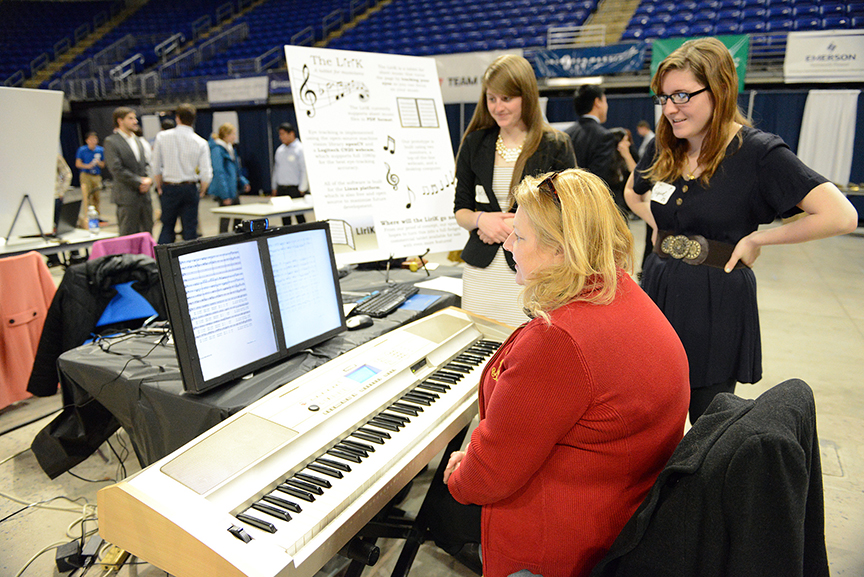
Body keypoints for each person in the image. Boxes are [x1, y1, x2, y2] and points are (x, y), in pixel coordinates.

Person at [443, 169, 691, 577]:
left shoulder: (559, 341)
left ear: (562, 250)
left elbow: (487, 477)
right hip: (622, 517)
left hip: (558, 550)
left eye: (520, 237)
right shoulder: (623, 291)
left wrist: (462, 472)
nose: (508, 243)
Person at [624, 37, 858, 423]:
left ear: (718, 90)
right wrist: (660, 225)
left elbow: (840, 215)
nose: (669, 109)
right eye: (663, 98)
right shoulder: (667, 145)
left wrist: (758, 238)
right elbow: (633, 192)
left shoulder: (758, 152)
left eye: (681, 95)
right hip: (660, 288)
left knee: (706, 425)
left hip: (716, 300)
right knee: (652, 416)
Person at [453, 54, 575, 327]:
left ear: (526, 96)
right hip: (480, 273)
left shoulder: (555, 145)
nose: (498, 107)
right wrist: (481, 220)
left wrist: (517, 226)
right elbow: (460, 209)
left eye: (507, 98)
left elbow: (568, 214)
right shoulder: (474, 143)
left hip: (530, 272)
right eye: (492, 98)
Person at [151, 103, 212, 244]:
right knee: (190, 229)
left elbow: (156, 166)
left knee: (167, 226)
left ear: (177, 118)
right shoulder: (200, 142)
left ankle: (162, 263)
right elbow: (206, 172)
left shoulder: (162, 137)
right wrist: (202, 190)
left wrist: (159, 185)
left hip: (169, 187)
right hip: (189, 188)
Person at [103, 107, 154, 236]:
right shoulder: (111, 142)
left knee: (148, 234)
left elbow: (145, 164)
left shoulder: (137, 140)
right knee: (129, 235)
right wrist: (139, 182)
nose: (135, 121)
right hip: (127, 197)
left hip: (144, 197)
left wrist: (148, 179)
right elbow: (116, 169)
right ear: (120, 121)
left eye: (135, 118)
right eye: (130, 118)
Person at [564, 84, 617, 186]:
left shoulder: (566, 134)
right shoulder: (604, 136)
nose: (607, 106)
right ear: (598, 102)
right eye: (605, 101)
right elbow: (598, 179)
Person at [271, 122, 308, 224]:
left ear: (291, 133)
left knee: (299, 216)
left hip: (295, 189)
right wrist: (274, 187)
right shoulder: (280, 150)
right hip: (282, 188)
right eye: (280, 134)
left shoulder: (300, 149)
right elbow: (276, 169)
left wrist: (302, 188)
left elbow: (304, 169)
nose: (280, 137)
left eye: (283, 134)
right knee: (285, 217)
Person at [209, 123, 250, 206]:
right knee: (226, 216)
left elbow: (235, 170)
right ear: (225, 135)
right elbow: (219, 172)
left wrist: (243, 182)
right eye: (233, 134)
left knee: (238, 215)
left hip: (233, 189)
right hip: (225, 190)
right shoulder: (217, 150)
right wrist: (225, 195)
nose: (235, 137)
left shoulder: (231, 149)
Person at [75, 132, 105, 225]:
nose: (93, 141)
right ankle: (87, 217)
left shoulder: (100, 150)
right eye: (91, 139)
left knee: (97, 197)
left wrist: (98, 162)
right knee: (87, 196)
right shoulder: (82, 150)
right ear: (87, 140)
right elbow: (78, 164)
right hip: (86, 175)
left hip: (96, 175)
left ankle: (97, 216)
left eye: (95, 139)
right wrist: (87, 166)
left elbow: (103, 164)